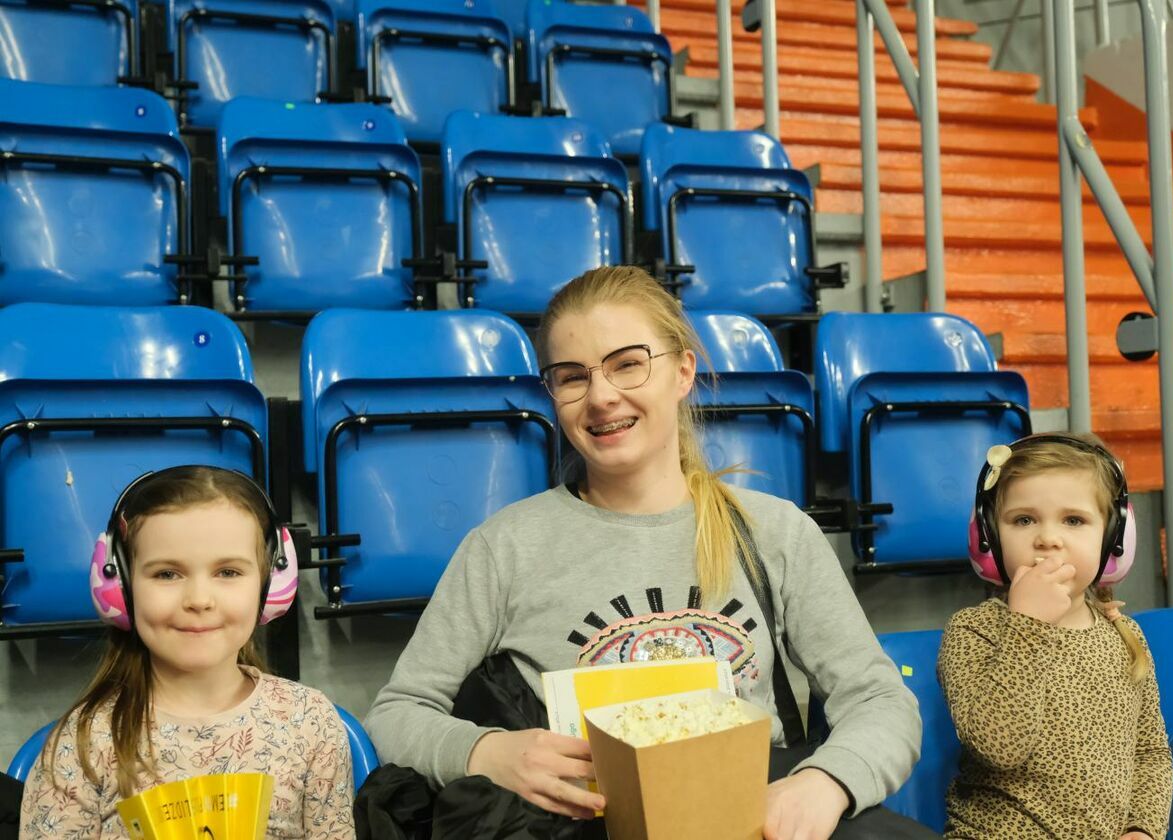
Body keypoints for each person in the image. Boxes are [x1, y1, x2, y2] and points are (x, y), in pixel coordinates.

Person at [367, 265, 931, 839]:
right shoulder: (503, 547)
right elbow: (397, 712)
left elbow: (880, 701)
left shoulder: (775, 532)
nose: (602, 396)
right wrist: (488, 752)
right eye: (571, 377)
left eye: (628, 363)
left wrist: (825, 783)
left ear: (683, 371)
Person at [19, 466, 355, 839]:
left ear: (272, 583)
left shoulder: (310, 722)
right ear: (119, 587)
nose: (198, 600)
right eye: (167, 574)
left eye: (228, 572)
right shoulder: (82, 744)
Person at [938, 433, 1173, 839]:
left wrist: (1143, 830)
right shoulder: (973, 631)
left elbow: (1150, 753)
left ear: (1114, 538)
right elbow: (1000, 747)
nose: (1047, 538)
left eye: (1074, 520)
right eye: (1023, 520)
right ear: (989, 537)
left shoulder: (1124, 634)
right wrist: (1028, 625)